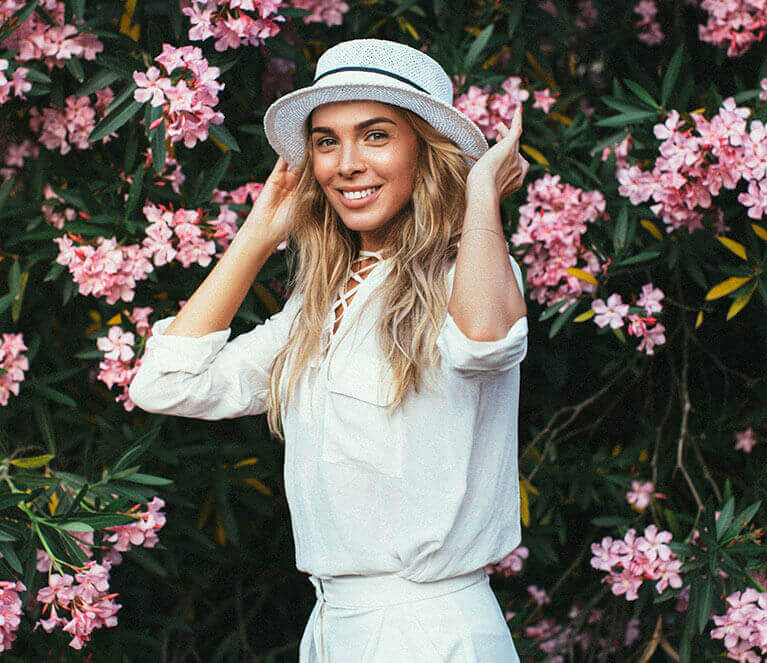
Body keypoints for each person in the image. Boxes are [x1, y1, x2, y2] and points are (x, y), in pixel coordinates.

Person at [129, 38, 530, 662]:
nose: (345, 163)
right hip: (333, 625)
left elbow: (483, 344)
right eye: (325, 141)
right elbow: (165, 385)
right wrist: (257, 237)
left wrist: (480, 194)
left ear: (426, 151)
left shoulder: (468, 274)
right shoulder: (316, 307)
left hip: (427, 627)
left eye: (375, 135)